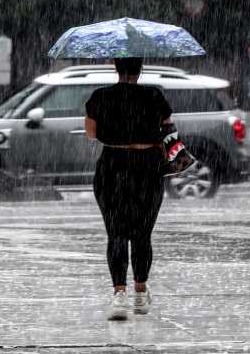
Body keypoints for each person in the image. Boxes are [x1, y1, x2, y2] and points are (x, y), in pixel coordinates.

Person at [84, 57, 173, 320]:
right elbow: (167, 129)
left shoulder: (100, 96)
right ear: (140, 68)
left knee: (116, 232)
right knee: (142, 233)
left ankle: (119, 295)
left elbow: (91, 133)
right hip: (147, 168)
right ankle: (140, 292)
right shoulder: (154, 95)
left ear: (115, 66)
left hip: (112, 166)